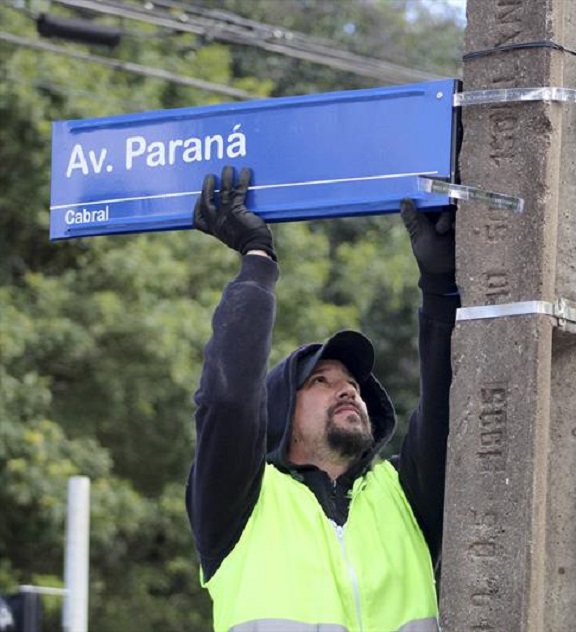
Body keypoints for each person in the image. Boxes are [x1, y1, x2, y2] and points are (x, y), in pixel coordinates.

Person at [185, 165, 458, 632]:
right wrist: (257, 259)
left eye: (352, 383)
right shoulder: (242, 505)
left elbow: (447, 404)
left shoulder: (404, 496)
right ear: (281, 416)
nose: (348, 388)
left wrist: (440, 286)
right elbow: (229, 400)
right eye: (320, 381)